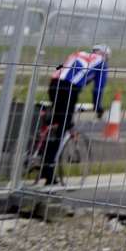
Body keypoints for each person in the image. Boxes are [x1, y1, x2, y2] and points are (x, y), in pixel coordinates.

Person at [41, 44, 109, 184]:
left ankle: (40, 149)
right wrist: (98, 107)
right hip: (69, 90)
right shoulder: (101, 63)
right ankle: (47, 169)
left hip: (54, 85)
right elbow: (98, 89)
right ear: (105, 55)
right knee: (63, 127)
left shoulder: (78, 53)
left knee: (57, 120)